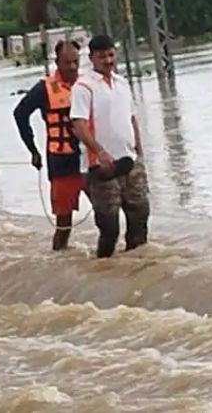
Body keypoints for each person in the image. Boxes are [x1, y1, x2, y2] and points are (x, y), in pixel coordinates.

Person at [70, 34, 150, 258]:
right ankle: (104, 268)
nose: (108, 60)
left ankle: (136, 266)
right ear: (92, 58)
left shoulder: (122, 84)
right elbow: (79, 124)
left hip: (130, 161)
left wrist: (139, 151)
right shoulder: (83, 87)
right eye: (102, 56)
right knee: (109, 227)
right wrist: (99, 151)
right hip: (101, 166)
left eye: (111, 55)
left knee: (140, 217)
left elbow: (131, 118)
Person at [13, 40, 84, 250]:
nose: (72, 67)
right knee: (64, 223)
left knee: (106, 214)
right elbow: (20, 114)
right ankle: (59, 261)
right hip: (61, 161)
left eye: (75, 62)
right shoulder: (45, 88)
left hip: (90, 159)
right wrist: (33, 150)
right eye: (67, 62)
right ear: (57, 62)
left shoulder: (87, 84)